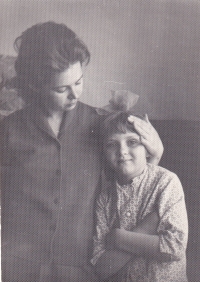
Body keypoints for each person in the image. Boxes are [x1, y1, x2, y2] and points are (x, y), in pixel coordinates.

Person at [1, 22, 163, 282]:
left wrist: (154, 157)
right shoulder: (8, 130)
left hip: (82, 267)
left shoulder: (102, 126)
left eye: (79, 81)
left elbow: (134, 187)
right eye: (61, 89)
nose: (75, 94)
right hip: (19, 268)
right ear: (34, 86)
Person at [91, 93, 188, 282]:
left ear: (146, 147)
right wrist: (149, 226)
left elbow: (173, 247)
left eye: (132, 142)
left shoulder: (166, 182)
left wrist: (119, 238)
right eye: (112, 144)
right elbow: (101, 267)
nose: (122, 151)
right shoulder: (105, 199)